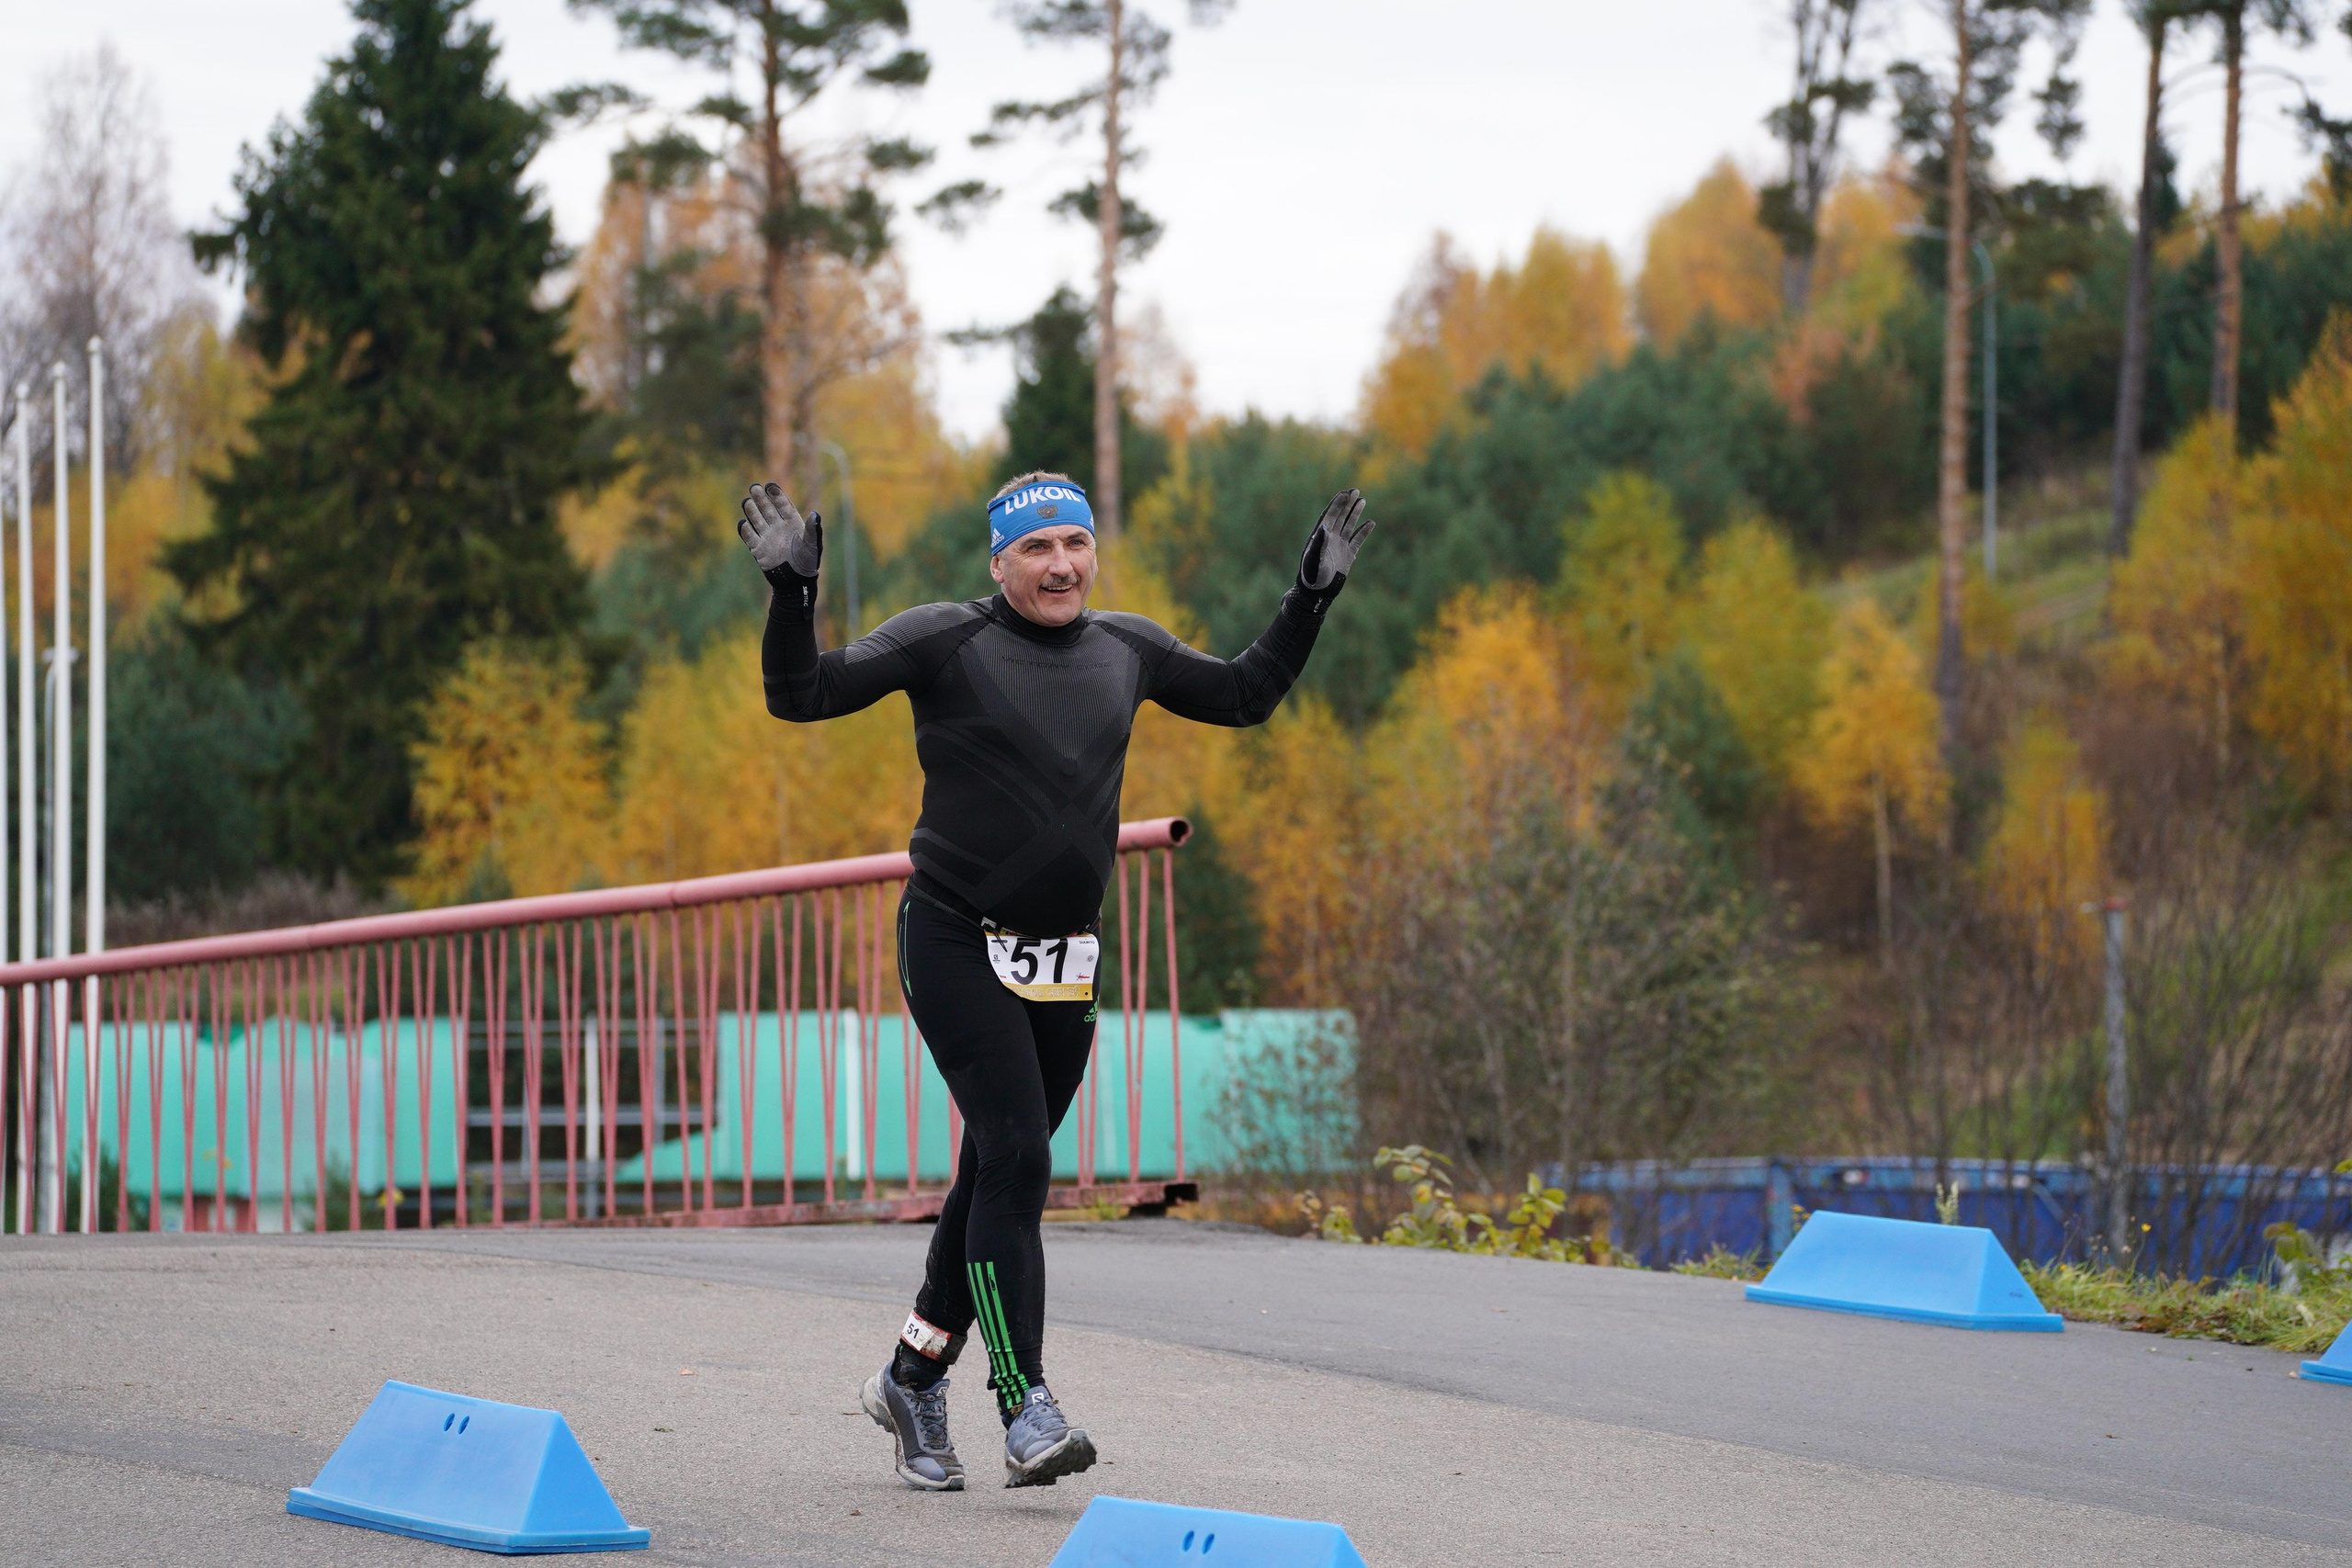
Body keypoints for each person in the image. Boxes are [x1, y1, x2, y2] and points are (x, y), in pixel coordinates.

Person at [739, 469, 1374, 1490]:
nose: (1061, 565)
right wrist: (790, 596)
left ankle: (910, 1376)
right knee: (1018, 1160)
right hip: (951, 935)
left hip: (1066, 956)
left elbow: (1247, 693)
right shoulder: (941, 638)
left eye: (1075, 544)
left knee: (993, 1168)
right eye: (1036, 549)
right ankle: (1023, 1403)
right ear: (999, 562)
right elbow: (798, 696)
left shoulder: (1128, 648)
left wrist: (1308, 597)